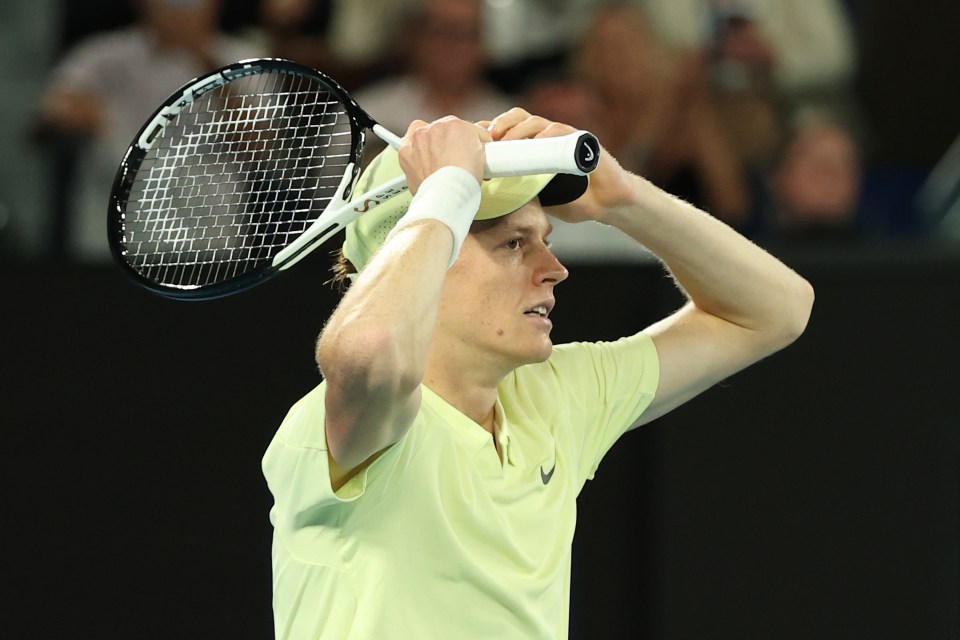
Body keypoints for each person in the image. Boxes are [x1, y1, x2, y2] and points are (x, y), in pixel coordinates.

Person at [260, 108, 814, 638]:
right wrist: (447, 188)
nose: (554, 270)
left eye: (544, 240)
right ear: (425, 254)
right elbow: (370, 344)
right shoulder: (348, 420)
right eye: (513, 244)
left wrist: (625, 200)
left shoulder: (555, 398)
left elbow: (776, 311)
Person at [32, 0, 264, 261]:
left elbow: (261, 150)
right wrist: (68, 115)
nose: (180, 7)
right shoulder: (99, 55)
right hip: (107, 242)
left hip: (209, 244)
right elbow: (42, 125)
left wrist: (205, 60)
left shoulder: (247, 59)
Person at [349, 0, 514, 160]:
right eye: (441, 30)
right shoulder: (364, 113)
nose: (453, 45)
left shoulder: (506, 121)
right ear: (414, 37)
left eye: (465, 33)